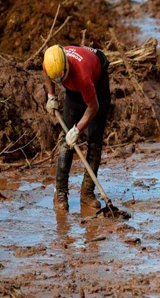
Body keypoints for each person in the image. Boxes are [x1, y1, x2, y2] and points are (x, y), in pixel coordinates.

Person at [43, 44, 111, 211]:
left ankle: (87, 193)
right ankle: (60, 193)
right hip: (74, 89)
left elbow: (93, 107)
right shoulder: (51, 62)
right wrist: (51, 95)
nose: (61, 82)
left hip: (97, 84)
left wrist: (78, 129)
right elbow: (46, 73)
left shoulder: (82, 76)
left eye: (62, 78)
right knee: (66, 141)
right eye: (57, 81)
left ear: (67, 66)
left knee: (94, 142)